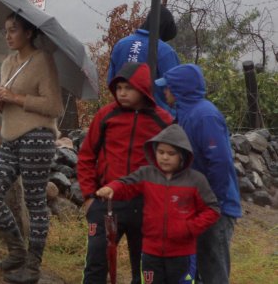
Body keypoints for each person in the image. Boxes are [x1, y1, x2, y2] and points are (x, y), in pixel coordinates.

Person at [0, 13, 63, 284]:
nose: (8, 35)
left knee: (35, 200)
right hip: (11, 136)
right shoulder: (7, 63)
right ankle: (16, 251)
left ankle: (33, 265)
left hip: (37, 136)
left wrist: (14, 97)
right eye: (6, 30)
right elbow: (7, 106)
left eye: (13, 30)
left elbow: (53, 106)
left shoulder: (42, 60)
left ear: (29, 33)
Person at [77, 62, 174, 284]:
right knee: (96, 263)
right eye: (118, 88)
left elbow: (174, 163)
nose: (121, 93)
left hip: (146, 204)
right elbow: (86, 156)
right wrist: (89, 197)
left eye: (128, 88)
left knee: (144, 269)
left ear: (142, 89)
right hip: (106, 201)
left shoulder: (163, 120)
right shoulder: (105, 116)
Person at [96, 124, 221, 284]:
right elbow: (126, 184)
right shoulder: (146, 174)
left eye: (171, 153)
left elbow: (212, 210)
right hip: (150, 252)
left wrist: (189, 228)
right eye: (160, 152)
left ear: (182, 156)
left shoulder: (196, 180)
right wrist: (111, 188)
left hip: (183, 255)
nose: (165, 157)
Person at [156, 64, 242, 283]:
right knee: (197, 269)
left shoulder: (204, 116)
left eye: (168, 88)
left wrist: (212, 203)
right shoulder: (185, 114)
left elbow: (220, 162)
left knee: (213, 270)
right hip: (197, 205)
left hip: (215, 208)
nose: (164, 92)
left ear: (179, 89)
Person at [107, 6, 180, 110]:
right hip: (156, 118)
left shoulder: (121, 45)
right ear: (164, 30)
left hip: (123, 112)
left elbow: (111, 80)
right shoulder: (165, 51)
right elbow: (176, 88)